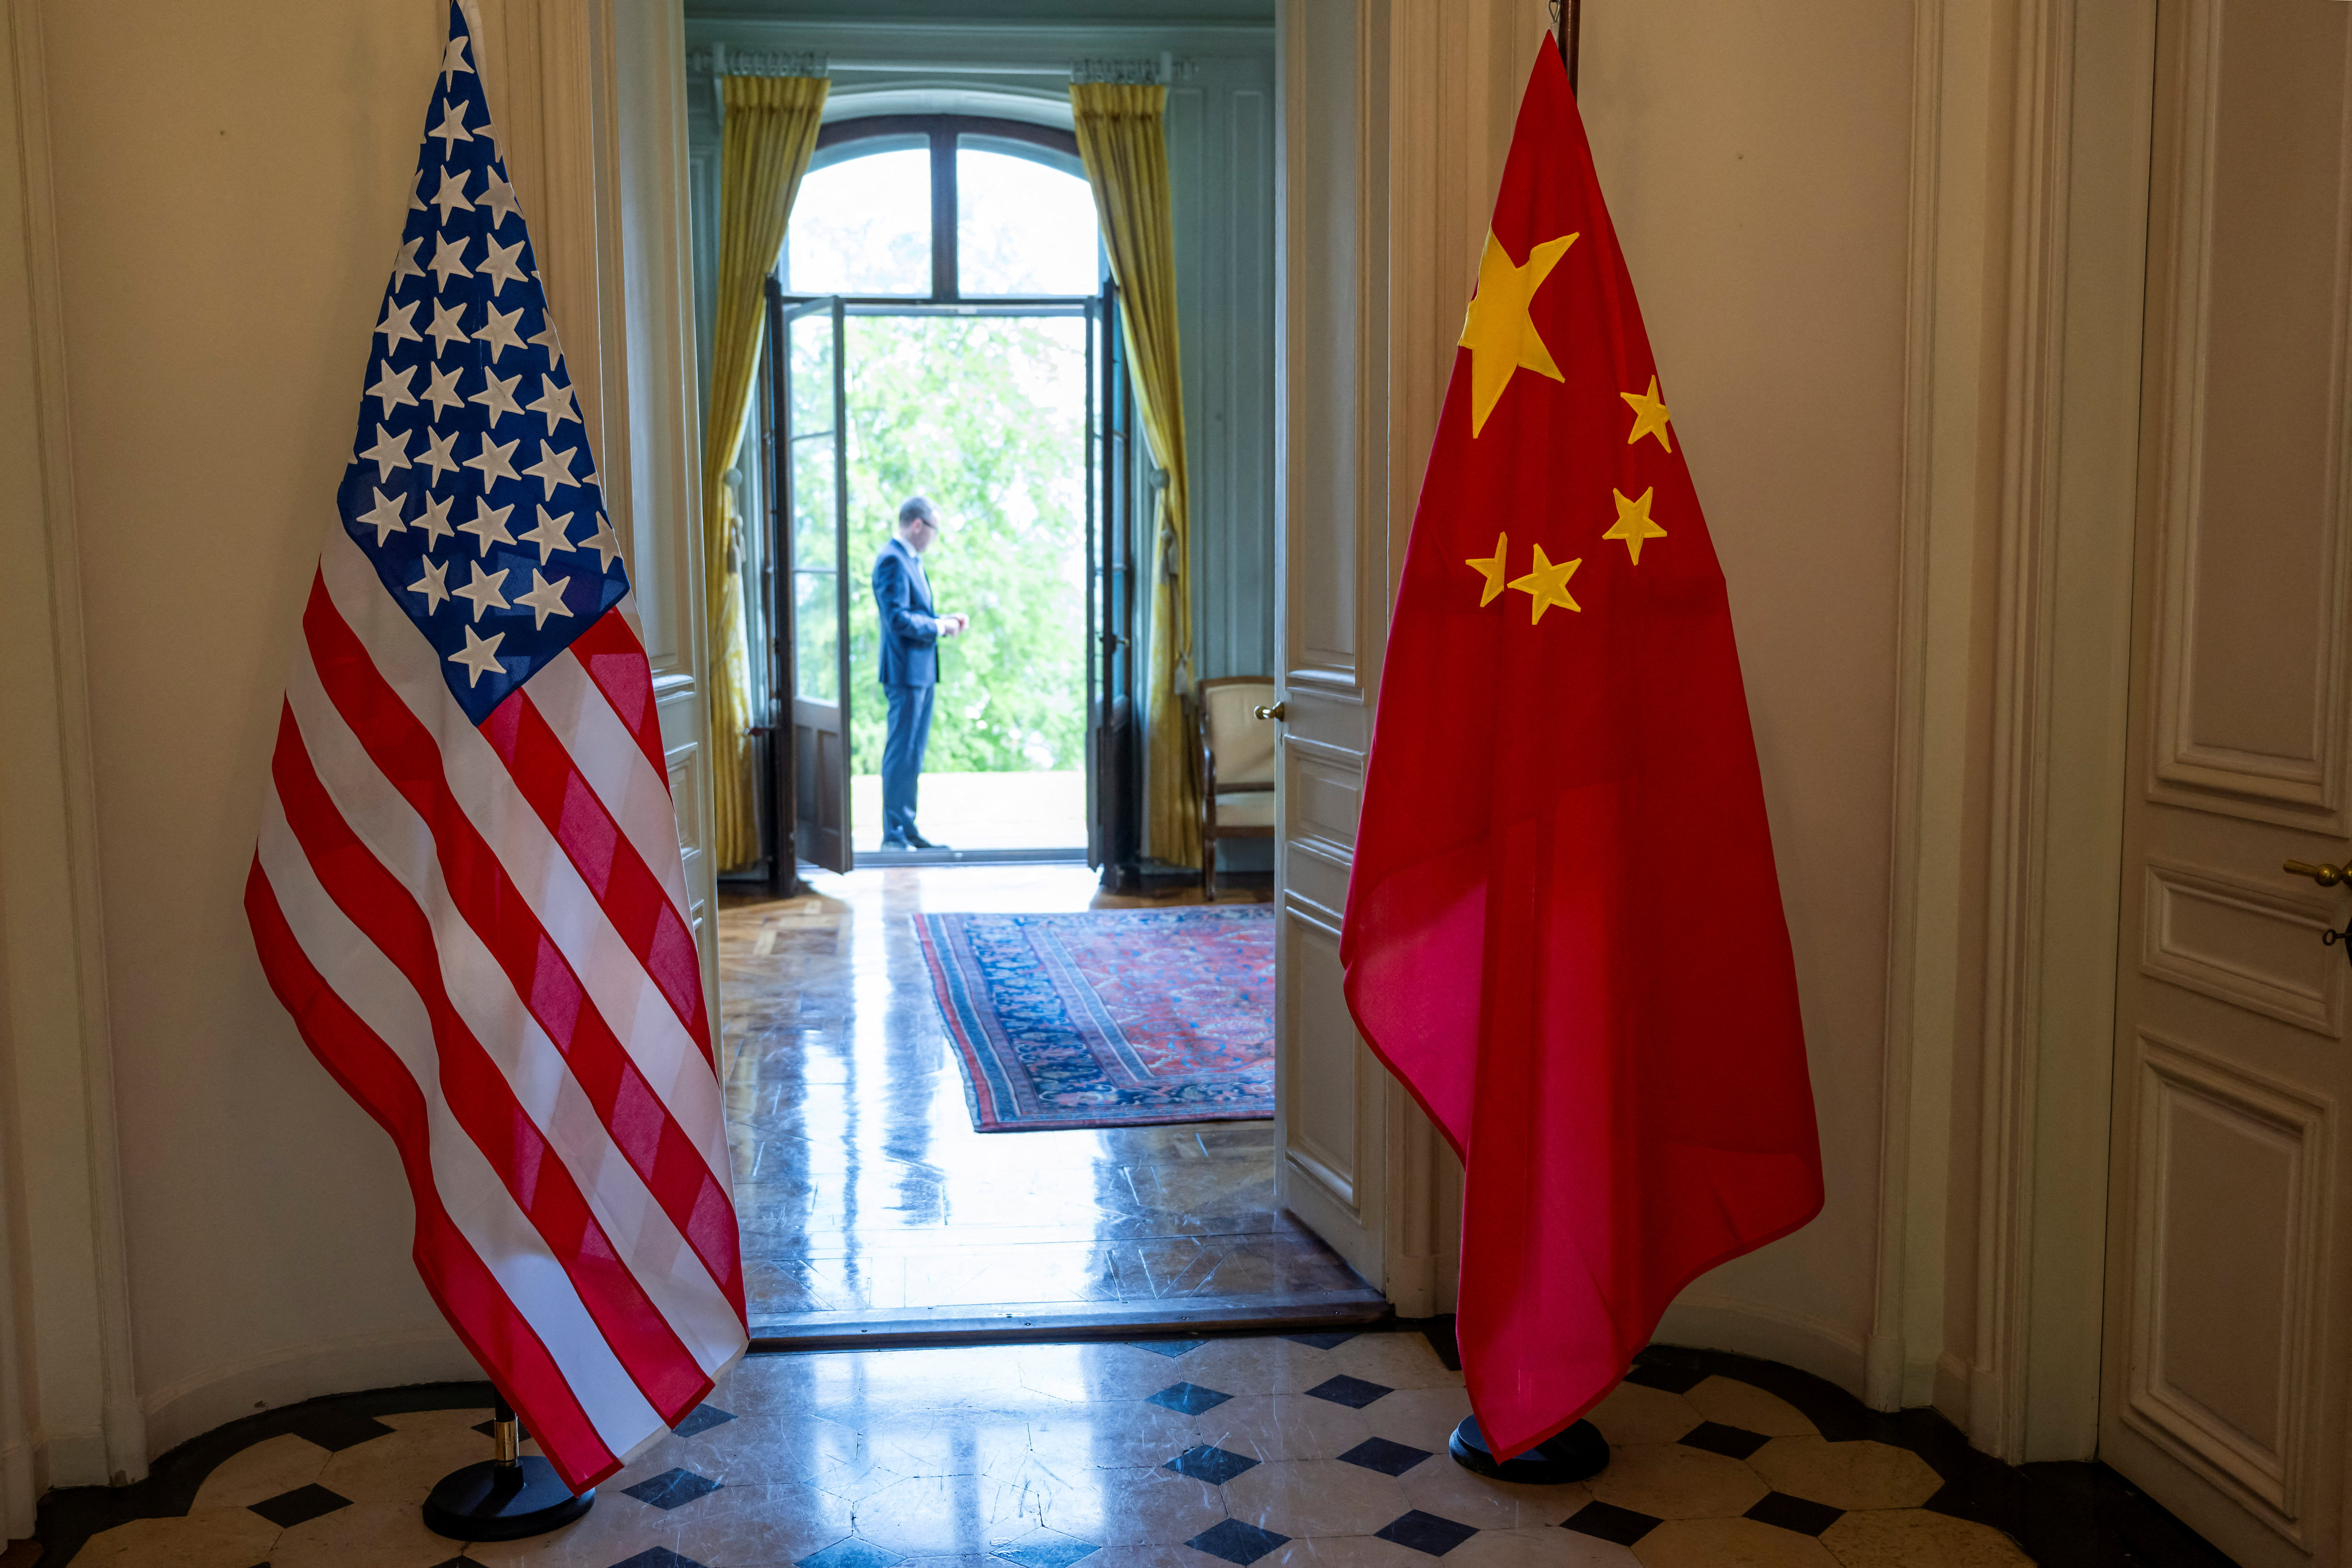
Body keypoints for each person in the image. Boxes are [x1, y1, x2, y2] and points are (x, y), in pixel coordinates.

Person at [872, 496, 967, 850]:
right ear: (917, 525)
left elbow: (917, 612)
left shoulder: (911, 561)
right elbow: (897, 619)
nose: (934, 537)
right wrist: (940, 627)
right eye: (934, 529)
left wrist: (944, 620)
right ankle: (894, 834)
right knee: (901, 752)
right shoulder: (892, 561)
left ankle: (907, 828)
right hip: (904, 673)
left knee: (914, 753)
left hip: (921, 673)